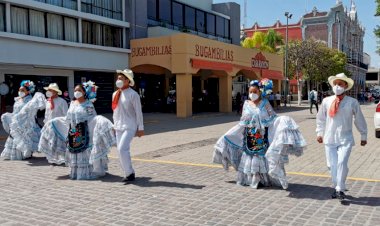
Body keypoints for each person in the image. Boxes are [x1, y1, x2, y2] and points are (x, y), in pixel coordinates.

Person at [213, 79, 306, 189]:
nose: (252, 94)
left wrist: (283, 121)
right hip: (250, 135)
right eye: (250, 92)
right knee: (250, 155)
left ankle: (264, 179)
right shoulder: (246, 104)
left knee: (262, 156)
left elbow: (273, 117)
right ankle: (252, 179)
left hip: (263, 135)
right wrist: (233, 132)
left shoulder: (265, 103)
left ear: (259, 92)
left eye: (254, 92)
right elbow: (243, 121)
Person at [39, 81, 115, 179]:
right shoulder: (72, 103)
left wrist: (101, 122)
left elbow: (92, 119)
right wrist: (55, 121)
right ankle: (76, 172)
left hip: (85, 132)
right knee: (75, 150)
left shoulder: (88, 104)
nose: (76, 92)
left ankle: (87, 171)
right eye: (75, 90)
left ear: (84, 92)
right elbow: (67, 118)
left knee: (84, 150)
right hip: (73, 132)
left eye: (79, 90)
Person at [316, 73, 367, 200]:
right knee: (331, 165)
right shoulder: (326, 101)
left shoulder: (352, 102)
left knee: (342, 162)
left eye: (340, 84)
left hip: (346, 138)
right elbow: (321, 119)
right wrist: (319, 133)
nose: (337, 86)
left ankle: (340, 188)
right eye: (335, 84)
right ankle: (336, 185)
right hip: (329, 138)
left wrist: (363, 135)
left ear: (345, 86)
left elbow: (359, 119)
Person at [112, 69, 144, 183]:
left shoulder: (133, 94)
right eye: (118, 78)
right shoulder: (115, 94)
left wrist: (140, 128)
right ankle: (128, 173)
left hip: (130, 125)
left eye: (121, 78)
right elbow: (115, 112)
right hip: (119, 126)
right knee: (121, 151)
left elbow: (138, 112)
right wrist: (114, 126)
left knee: (122, 149)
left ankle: (130, 172)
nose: (118, 80)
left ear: (127, 80)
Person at [1, 80, 46, 160]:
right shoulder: (18, 100)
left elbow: (31, 112)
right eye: (19, 90)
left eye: (23, 90)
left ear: (28, 91)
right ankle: (17, 155)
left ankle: (26, 153)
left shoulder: (30, 101)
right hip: (17, 122)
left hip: (25, 123)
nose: (20, 92)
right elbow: (15, 112)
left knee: (25, 138)